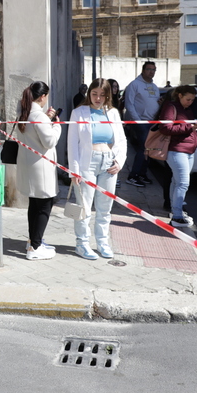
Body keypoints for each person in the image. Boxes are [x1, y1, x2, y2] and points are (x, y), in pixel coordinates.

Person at [67, 79, 127, 260]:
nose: (98, 98)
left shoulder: (114, 113)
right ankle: (82, 244)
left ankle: (102, 242)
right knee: (84, 207)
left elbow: (122, 140)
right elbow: (72, 144)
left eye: (102, 95)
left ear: (108, 95)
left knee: (104, 208)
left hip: (108, 163)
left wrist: (119, 161)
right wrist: (74, 170)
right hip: (87, 163)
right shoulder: (78, 113)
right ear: (89, 93)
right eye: (94, 94)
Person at [15, 81, 61, 260]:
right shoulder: (38, 116)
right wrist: (56, 125)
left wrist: (46, 119)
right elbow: (49, 141)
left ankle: (34, 241)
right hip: (41, 169)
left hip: (29, 166)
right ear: (42, 96)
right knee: (44, 206)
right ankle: (35, 247)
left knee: (34, 205)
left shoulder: (24, 113)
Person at [157, 85, 197, 227]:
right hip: (177, 150)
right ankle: (177, 215)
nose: (190, 102)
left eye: (192, 100)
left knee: (177, 183)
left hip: (188, 150)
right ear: (180, 96)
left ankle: (175, 212)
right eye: (188, 99)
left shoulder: (186, 109)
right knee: (183, 183)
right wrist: (190, 127)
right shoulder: (171, 107)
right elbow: (165, 128)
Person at [123, 61, 159, 187]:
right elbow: (129, 104)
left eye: (154, 69)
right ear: (143, 70)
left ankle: (142, 174)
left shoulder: (154, 87)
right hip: (140, 122)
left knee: (149, 149)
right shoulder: (134, 85)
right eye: (149, 69)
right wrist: (137, 120)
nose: (151, 71)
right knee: (143, 148)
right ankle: (133, 176)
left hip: (152, 122)